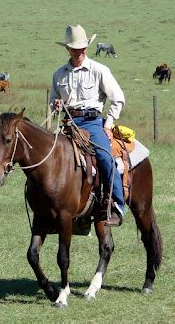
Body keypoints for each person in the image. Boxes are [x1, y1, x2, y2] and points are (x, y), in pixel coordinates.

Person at [50, 24, 125, 226]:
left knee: (105, 158)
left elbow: (118, 98)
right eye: (75, 48)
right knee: (47, 156)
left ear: (87, 47)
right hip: (68, 124)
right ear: (68, 49)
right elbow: (52, 101)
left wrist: (108, 126)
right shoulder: (59, 75)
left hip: (92, 123)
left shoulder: (99, 70)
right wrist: (55, 105)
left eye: (82, 47)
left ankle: (117, 205)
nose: (79, 51)